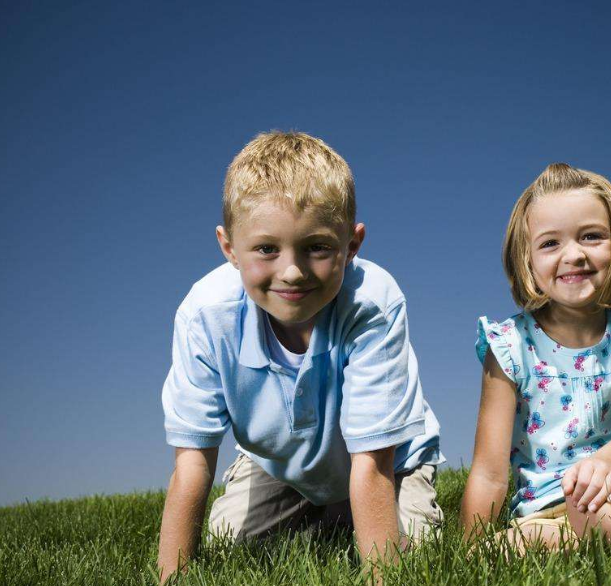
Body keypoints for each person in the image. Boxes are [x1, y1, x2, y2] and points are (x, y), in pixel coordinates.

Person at [157, 131, 443, 581]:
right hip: (281, 463)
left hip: (389, 462)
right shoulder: (205, 316)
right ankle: (323, 509)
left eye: (317, 247)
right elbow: (192, 461)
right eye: (267, 249)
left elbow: (373, 464)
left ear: (352, 245)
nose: (292, 271)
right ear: (229, 247)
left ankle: (345, 513)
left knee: (414, 554)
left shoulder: (373, 304)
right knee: (229, 547)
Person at [460, 163, 611, 551]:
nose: (573, 254)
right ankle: (578, 542)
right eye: (550, 243)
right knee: (498, 550)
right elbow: (490, 472)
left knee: (596, 511)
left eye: (592, 236)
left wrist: (608, 463)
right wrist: (469, 547)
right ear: (526, 260)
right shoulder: (508, 346)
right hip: (540, 510)